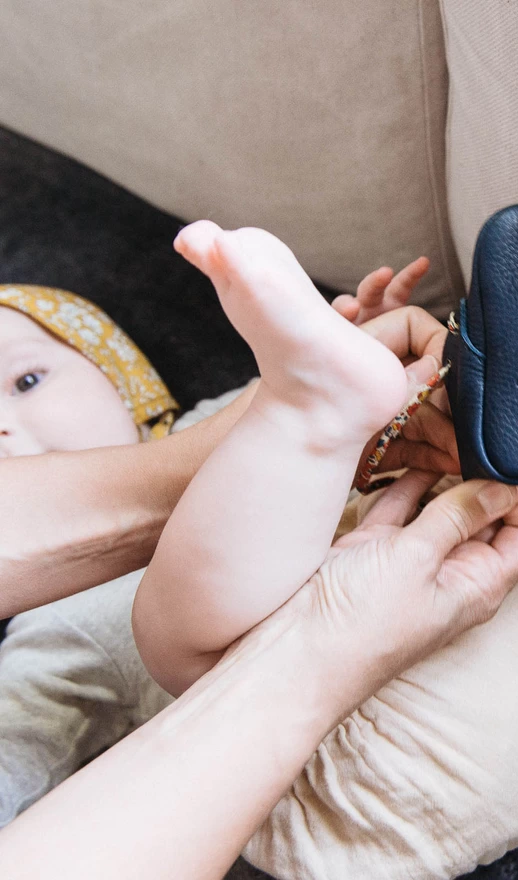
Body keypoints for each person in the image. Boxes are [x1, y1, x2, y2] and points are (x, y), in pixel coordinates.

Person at [0, 261, 466, 822]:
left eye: (26, 382)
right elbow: (15, 747)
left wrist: (376, 361)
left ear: (116, 370)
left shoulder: (234, 412)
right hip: (324, 746)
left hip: (448, 566)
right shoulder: (51, 620)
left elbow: (337, 396)